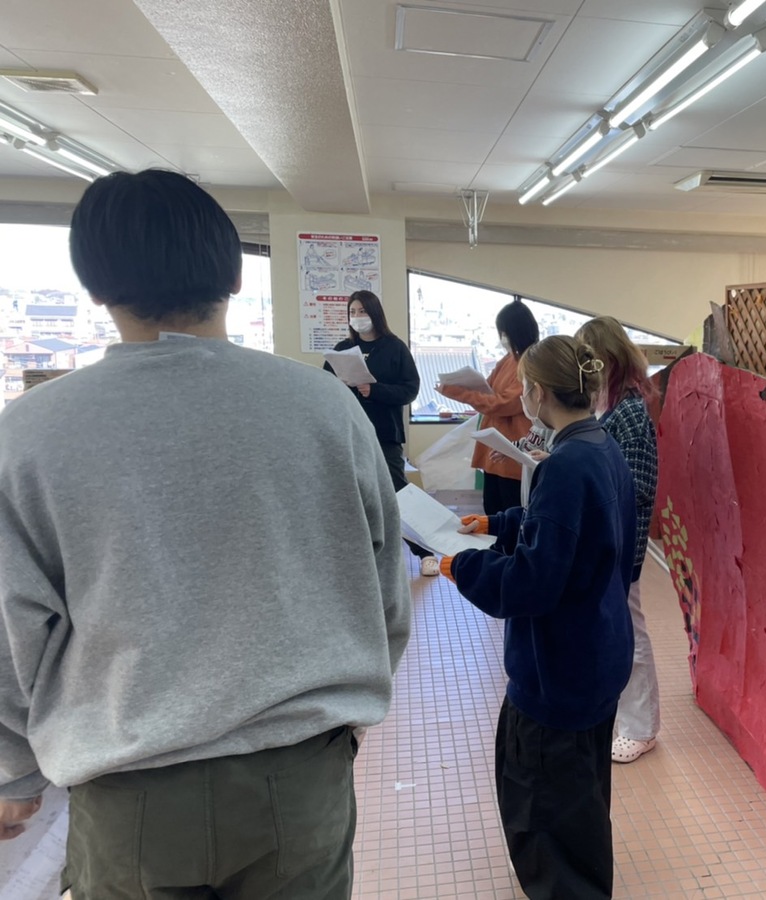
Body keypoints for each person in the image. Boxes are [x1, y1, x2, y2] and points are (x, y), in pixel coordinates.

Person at [0, 170, 411, 899]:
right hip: (298, 776)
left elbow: (12, 623)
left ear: (93, 286)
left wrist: (14, 770)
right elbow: (383, 584)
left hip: (128, 790)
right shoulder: (323, 407)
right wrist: (350, 711)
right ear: (233, 277)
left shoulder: (27, 434)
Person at [438, 335, 635, 900]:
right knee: (580, 798)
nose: (521, 395)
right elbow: (569, 529)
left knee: (545, 805)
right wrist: (499, 524)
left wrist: (464, 567)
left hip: (559, 667)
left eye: (524, 386)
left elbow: (531, 583)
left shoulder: (568, 464)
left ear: (539, 392)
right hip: (598, 649)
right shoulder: (599, 446)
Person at [575, 316, 661, 764]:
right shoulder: (608, 406)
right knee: (616, 629)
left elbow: (640, 485)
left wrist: (590, 473)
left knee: (632, 632)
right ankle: (626, 717)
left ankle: (642, 727)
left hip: (625, 541)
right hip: (609, 538)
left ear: (608, 359)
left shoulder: (630, 410)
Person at [325, 290, 437, 576]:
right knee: (353, 494)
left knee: (398, 493)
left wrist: (375, 390)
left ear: (375, 313)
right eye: (353, 312)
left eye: (362, 311)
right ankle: (360, 555)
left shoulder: (394, 347)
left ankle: (425, 552)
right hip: (350, 432)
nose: (357, 317)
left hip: (385, 433)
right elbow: (325, 385)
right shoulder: (342, 349)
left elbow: (410, 390)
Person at [437, 300, 538, 514]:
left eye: (504, 332)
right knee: (492, 511)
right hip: (495, 448)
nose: (502, 338)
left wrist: (457, 392)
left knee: (511, 514)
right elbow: (487, 390)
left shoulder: (531, 362)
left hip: (514, 451)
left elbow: (503, 404)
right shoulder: (509, 359)